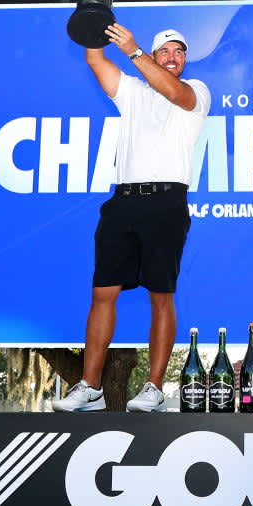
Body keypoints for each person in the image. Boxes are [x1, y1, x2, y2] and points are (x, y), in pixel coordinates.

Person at [53, 22, 211, 413]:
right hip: (123, 202)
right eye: (166, 51)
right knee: (102, 292)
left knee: (161, 295)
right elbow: (94, 57)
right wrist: (94, 12)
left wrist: (134, 51)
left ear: (184, 60)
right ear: (157, 56)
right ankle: (90, 385)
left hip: (167, 202)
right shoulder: (132, 91)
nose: (173, 57)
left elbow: (175, 92)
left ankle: (154, 387)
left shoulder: (198, 91)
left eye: (179, 52)